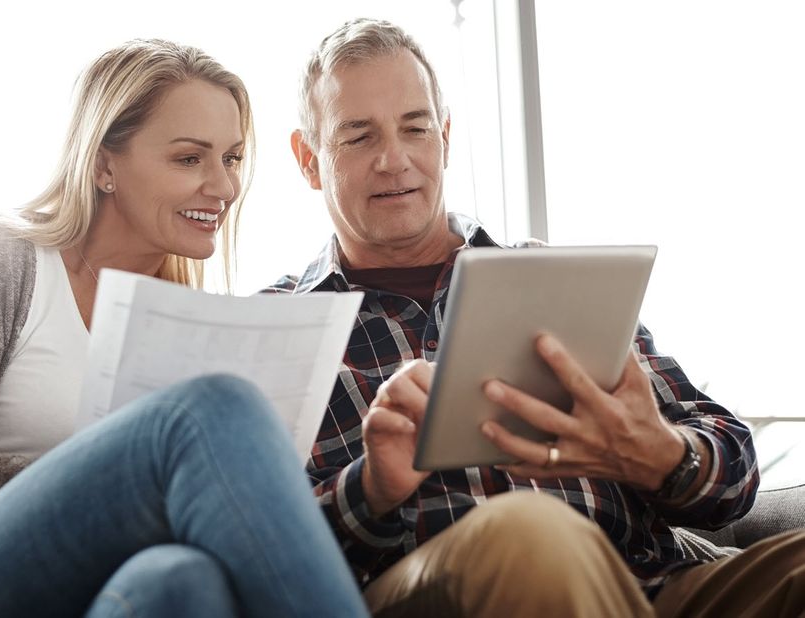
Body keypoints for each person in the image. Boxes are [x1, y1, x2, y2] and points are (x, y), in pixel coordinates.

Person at [268, 17, 805, 617]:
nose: (395, 160)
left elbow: (733, 471)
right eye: (359, 137)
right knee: (528, 532)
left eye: (416, 128)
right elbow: (261, 557)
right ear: (308, 158)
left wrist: (659, 453)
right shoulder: (278, 328)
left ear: (443, 135)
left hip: (655, 585)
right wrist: (371, 489)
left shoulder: (554, 279)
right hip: (447, 588)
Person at [0, 39, 368, 618]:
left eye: (232, 159)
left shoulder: (190, 319)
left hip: (99, 593)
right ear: (105, 164)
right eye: (190, 159)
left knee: (182, 581)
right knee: (213, 410)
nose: (224, 186)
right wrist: (129, 467)